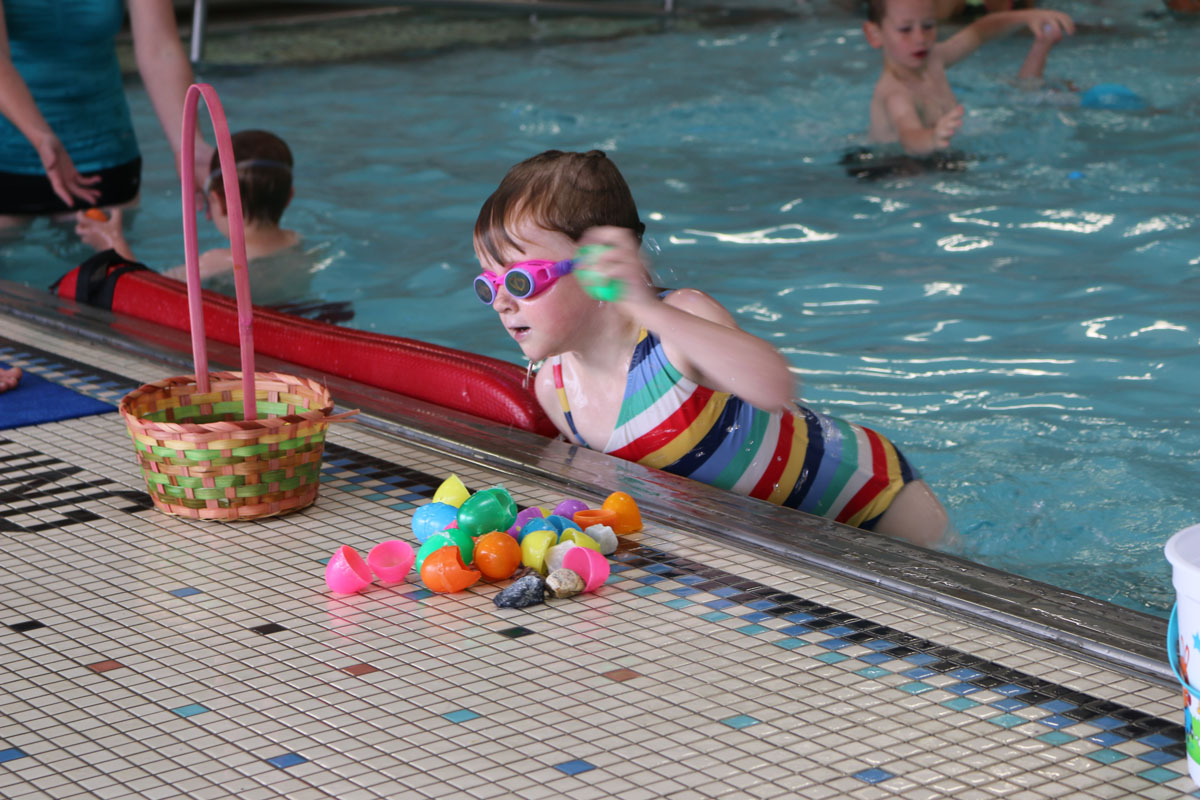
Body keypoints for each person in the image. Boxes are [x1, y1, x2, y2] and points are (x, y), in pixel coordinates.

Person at [473, 150, 951, 546]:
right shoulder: (554, 389)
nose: (502, 301)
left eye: (521, 278)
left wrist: (646, 306)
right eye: (488, 283)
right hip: (793, 531)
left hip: (871, 493)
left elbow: (772, 386)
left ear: (599, 265)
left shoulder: (677, 328)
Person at [0, 0, 212, 220]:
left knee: (112, 249)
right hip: (6, 152)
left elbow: (160, 49)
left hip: (103, 151)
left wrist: (188, 146)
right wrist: (40, 136)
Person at [75, 129, 298, 286]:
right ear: (289, 197)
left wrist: (112, 243)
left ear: (217, 200)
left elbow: (150, 288)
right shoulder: (295, 241)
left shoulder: (220, 261)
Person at [863, 0, 1074, 154]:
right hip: (895, 169)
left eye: (928, 25)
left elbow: (980, 31)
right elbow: (909, 137)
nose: (920, 38)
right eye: (905, 29)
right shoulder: (895, 92)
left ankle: (1041, 45)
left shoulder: (934, 58)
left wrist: (1027, 16)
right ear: (875, 34)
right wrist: (932, 138)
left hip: (937, 153)